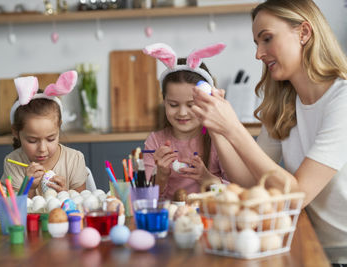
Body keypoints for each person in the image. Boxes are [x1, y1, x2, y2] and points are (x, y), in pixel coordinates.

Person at [191, 0, 347, 264]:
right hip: (308, 243)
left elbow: (297, 195)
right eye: (257, 43)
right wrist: (218, 128)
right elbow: (249, 180)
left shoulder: (341, 101)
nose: (258, 54)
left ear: (304, 33)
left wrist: (233, 127)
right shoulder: (286, 103)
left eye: (267, 39)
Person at [142, 43, 227, 200]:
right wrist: (161, 175)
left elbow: (236, 194)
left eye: (191, 105)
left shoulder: (217, 140)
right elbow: (146, 201)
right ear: (164, 101)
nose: (182, 113)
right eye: (173, 105)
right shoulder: (154, 142)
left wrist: (208, 180)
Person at [2, 71, 88, 198]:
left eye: (51, 139)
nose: (42, 149)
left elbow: (82, 205)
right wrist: (29, 187)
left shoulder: (74, 159)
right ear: (16, 132)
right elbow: (15, 211)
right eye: (32, 140)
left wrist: (65, 194)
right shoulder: (13, 162)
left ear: (59, 127)